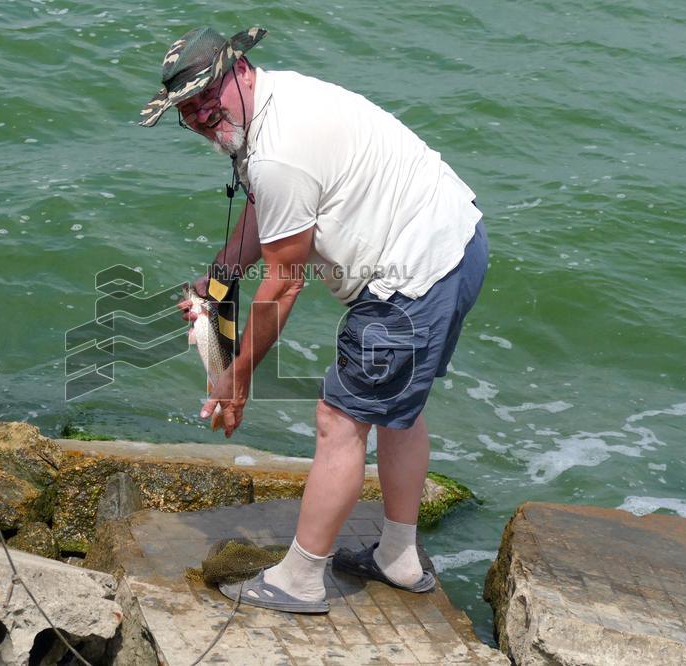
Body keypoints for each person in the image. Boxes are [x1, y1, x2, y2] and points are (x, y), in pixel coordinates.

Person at [139, 26, 488, 613]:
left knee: (339, 419)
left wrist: (236, 378)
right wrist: (219, 279)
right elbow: (266, 208)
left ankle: (300, 579)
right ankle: (398, 557)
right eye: (188, 111)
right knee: (398, 410)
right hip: (454, 240)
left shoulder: (278, 151)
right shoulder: (273, 104)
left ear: (241, 70)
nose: (201, 117)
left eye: (208, 98)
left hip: (412, 273)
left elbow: (285, 281)